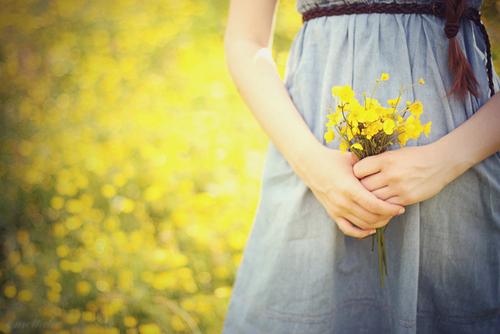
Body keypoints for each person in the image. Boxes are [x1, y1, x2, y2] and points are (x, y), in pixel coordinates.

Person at [222, 0, 500, 332]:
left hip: (461, 172)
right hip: (311, 160)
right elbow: (245, 40)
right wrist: (313, 167)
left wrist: (446, 160)